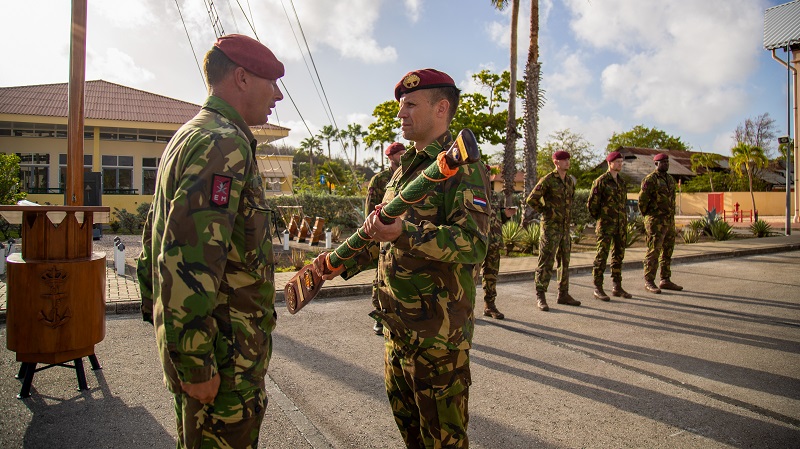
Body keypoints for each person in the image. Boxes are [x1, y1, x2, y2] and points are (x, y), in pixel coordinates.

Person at [317, 68, 491, 448]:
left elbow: (473, 244)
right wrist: (340, 263)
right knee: (411, 436)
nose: (401, 114)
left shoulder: (463, 165)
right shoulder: (402, 171)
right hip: (396, 331)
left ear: (441, 108)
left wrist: (407, 232)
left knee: (443, 441)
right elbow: (384, 241)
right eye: (401, 106)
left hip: (437, 339)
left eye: (411, 105)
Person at [137, 34, 283, 448]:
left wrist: (169, 332)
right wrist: (197, 362)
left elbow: (155, 241)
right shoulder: (224, 143)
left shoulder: (191, 134)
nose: (278, 96)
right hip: (224, 360)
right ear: (240, 77)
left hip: (211, 350)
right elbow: (190, 262)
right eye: (271, 82)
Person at [525, 150, 581, 311]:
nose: (567, 162)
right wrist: (545, 211)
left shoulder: (569, 181)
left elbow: (570, 201)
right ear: (556, 162)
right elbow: (531, 199)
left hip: (564, 228)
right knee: (546, 261)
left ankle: (563, 294)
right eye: (564, 160)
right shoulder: (548, 180)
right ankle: (540, 295)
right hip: (550, 228)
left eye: (568, 159)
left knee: (565, 262)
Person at [365, 142, 406, 335]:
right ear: (391, 157)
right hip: (381, 236)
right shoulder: (379, 180)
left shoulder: (408, 176)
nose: (404, 156)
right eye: (400, 154)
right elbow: (369, 209)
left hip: (402, 233)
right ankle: (380, 316)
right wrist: (370, 235)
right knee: (379, 277)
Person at [587, 151, 633, 300]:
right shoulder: (601, 181)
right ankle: (598, 287)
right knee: (602, 256)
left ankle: (617, 287)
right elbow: (592, 205)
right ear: (610, 163)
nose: (620, 164)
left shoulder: (622, 182)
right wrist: (601, 218)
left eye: (621, 161)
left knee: (618, 256)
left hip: (620, 225)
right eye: (618, 162)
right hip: (606, 225)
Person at [638, 152, 683, 294]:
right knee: (653, 250)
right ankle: (649, 281)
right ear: (656, 164)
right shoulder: (650, 179)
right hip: (655, 221)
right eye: (663, 162)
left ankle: (665, 279)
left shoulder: (670, 179)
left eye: (667, 162)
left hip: (669, 221)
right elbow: (642, 201)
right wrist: (649, 217)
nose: (666, 164)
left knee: (667, 251)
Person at [481, 185, 517, 319]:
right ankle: (464, 309)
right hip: (477, 240)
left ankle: (489, 306)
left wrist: (505, 214)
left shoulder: (494, 195)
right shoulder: (469, 190)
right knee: (470, 276)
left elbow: (496, 217)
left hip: (494, 241)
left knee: (491, 275)